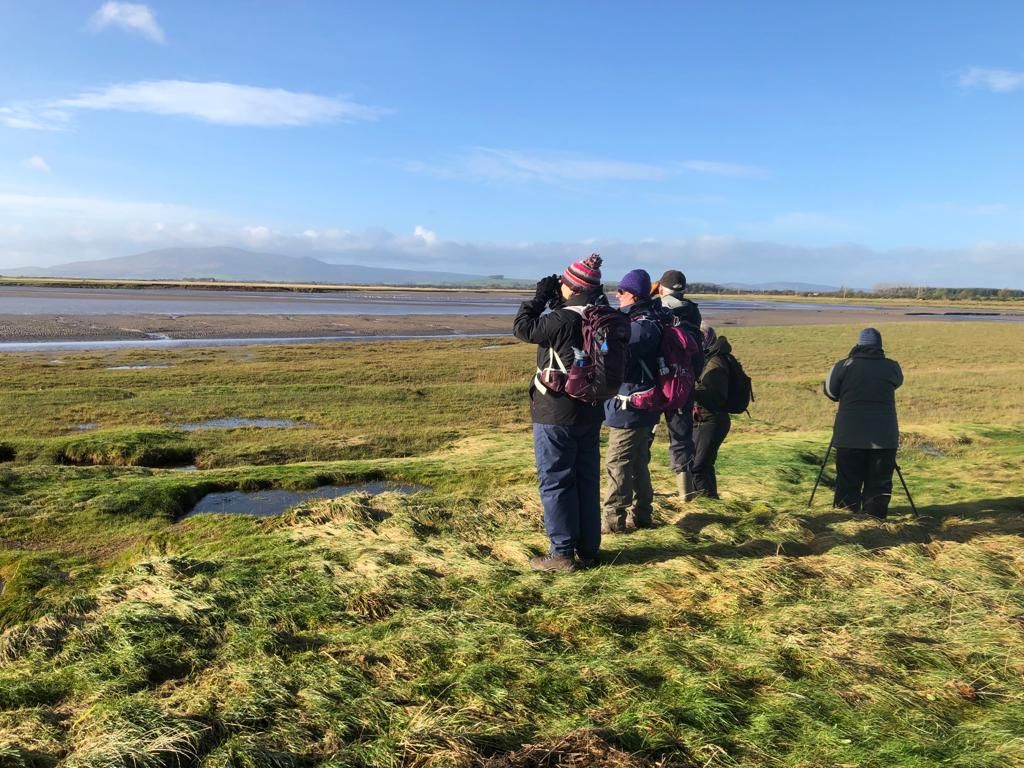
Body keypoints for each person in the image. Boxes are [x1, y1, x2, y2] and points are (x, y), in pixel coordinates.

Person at [513, 254, 606, 571]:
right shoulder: (601, 317)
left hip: (556, 412)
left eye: (565, 284)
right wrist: (559, 300)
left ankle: (562, 554)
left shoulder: (562, 320)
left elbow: (523, 329)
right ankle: (589, 550)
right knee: (586, 479)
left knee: (556, 482)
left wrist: (539, 298)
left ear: (573, 287)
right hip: (591, 410)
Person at [602, 269, 662, 532]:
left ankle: (614, 522)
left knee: (618, 461)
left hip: (630, 407)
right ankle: (643, 516)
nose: (617, 294)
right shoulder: (647, 321)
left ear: (634, 295)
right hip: (640, 406)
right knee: (637, 461)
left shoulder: (640, 326)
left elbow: (613, 360)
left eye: (622, 291)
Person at [824, 328, 904, 519]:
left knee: (847, 482)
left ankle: (845, 522)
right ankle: (874, 524)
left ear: (858, 344)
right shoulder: (892, 366)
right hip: (884, 437)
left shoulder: (843, 366)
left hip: (849, 435)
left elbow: (830, 392)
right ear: (880, 346)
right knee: (879, 483)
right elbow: (898, 382)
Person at [652, 269, 703, 499]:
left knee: (642, 437)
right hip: (683, 384)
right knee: (682, 439)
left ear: (662, 288)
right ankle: (686, 493)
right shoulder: (693, 313)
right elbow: (698, 356)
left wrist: (651, 295)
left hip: (655, 383)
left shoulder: (656, 310)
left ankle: (640, 492)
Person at [687, 323, 731, 499]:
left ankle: (705, 504)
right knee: (704, 465)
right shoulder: (710, 359)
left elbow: (715, 397)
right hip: (706, 419)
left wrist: (690, 390)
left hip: (710, 420)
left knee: (698, 467)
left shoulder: (715, 363)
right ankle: (711, 500)